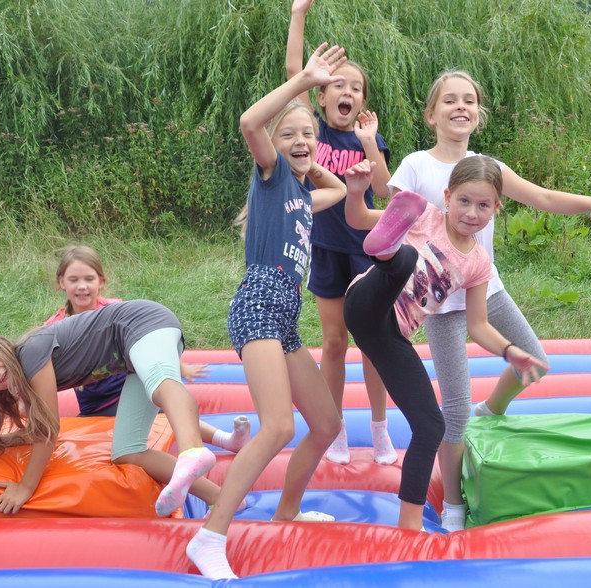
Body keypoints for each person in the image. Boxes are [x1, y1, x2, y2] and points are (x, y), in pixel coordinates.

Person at [387, 70, 591, 531]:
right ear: (431, 114)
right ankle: (453, 503)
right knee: (454, 410)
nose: (460, 106)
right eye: (449, 100)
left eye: (469, 100)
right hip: (441, 304)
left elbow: (544, 197)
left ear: (478, 113)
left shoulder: (488, 167)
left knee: (535, 360)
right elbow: (393, 223)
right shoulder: (416, 165)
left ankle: (492, 409)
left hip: (486, 288)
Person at [182, 42, 349, 580]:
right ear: (272, 148)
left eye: (309, 135)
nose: (301, 142)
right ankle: (210, 536)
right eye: (289, 136)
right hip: (257, 304)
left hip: (285, 318)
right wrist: (302, 85)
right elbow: (249, 121)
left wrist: (311, 162)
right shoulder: (272, 178)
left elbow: (338, 189)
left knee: (326, 423)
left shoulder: (300, 198)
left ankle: (287, 511)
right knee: (277, 426)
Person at [343, 155, 550, 531]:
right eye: (464, 201)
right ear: (447, 197)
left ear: (496, 209)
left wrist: (509, 350)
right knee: (405, 258)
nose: (471, 213)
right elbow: (357, 220)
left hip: (389, 334)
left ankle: (408, 527)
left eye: (483, 205)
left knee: (431, 426)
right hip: (365, 301)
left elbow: (478, 325)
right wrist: (356, 193)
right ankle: (385, 252)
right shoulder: (425, 216)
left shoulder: (478, 263)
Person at [0, 300, 230, 525]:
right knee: (129, 452)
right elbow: (33, 427)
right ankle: (221, 499)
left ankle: (192, 449)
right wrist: (6, 440)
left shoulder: (30, 352)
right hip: (132, 358)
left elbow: (48, 428)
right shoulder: (19, 381)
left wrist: (26, 487)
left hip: (143, 323)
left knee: (159, 384)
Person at [286, 0, 396, 465]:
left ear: (361, 104)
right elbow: (294, 72)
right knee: (334, 343)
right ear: (322, 98)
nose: (346, 92)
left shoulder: (368, 140)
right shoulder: (313, 133)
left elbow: (384, 191)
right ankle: (335, 429)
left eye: (356, 88)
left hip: (367, 251)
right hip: (327, 250)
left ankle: (379, 427)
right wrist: (298, 15)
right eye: (337, 85)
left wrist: (370, 145)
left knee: (372, 343)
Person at [45, 245, 249, 453]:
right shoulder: (56, 327)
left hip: (129, 386)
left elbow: (147, 341)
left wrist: (179, 367)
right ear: (62, 282)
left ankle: (225, 440)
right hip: (94, 405)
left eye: (89, 279)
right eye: (74, 280)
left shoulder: (115, 310)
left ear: (101, 281)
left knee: (166, 411)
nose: (82, 286)